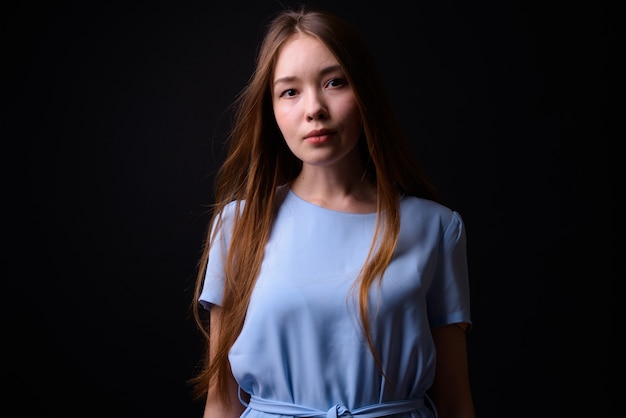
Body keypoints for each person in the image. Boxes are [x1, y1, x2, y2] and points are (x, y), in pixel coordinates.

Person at [190, 5, 476, 418]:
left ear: (365, 93)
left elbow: (455, 401)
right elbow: (221, 402)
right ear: (271, 110)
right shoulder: (238, 225)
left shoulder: (436, 228)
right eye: (290, 91)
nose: (314, 108)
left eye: (334, 83)